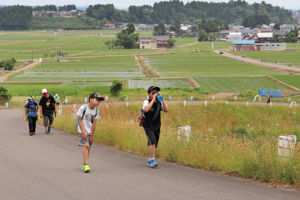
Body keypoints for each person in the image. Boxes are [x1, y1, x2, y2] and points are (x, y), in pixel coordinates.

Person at [76, 92, 105, 173]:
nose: (98, 102)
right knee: (86, 145)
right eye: (97, 100)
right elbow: (79, 121)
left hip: (89, 131)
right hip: (82, 130)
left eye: (99, 100)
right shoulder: (83, 108)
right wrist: (83, 132)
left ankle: (84, 163)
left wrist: (92, 136)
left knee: (88, 147)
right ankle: (86, 164)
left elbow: (94, 123)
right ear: (91, 99)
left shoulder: (96, 110)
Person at [142, 86, 169, 168]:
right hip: (148, 125)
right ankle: (152, 159)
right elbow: (146, 110)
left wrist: (162, 99)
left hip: (156, 125)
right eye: (153, 92)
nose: (155, 94)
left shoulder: (159, 103)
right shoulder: (146, 101)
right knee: (152, 141)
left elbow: (166, 110)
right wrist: (153, 100)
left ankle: (150, 159)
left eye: (156, 92)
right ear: (149, 94)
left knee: (154, 143)